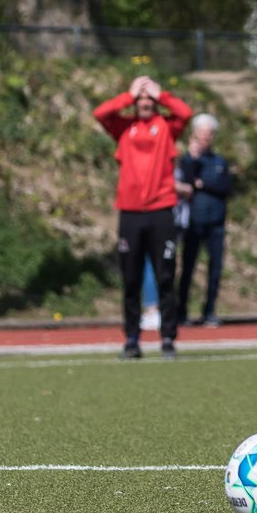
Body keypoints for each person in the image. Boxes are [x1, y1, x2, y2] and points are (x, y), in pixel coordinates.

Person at [94, 75, 192, 359]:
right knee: (131, 279)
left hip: (161, 211)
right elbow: (100, 113)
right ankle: (132, 340)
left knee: (165, 276)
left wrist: (162, 95)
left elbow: (184, 113)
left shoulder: (166, 127)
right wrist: (129, 94)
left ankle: (167, 340)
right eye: (142, 101)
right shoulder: (124, 127)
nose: (146, 105)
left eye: (150, 102)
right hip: (131, 213)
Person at [175, 114, 233, 328]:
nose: (205, 137)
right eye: (202, 132)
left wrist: (203, 185)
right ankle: (181, 311)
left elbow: (225, 188)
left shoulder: (220, 161)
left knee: (215, 269)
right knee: (188, 267)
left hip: (216, 222)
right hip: (193, 222)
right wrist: (193, 158)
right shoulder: (188, 160)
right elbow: (187, 183)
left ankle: (209, 311)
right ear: (194, 134)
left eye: (209, 133)